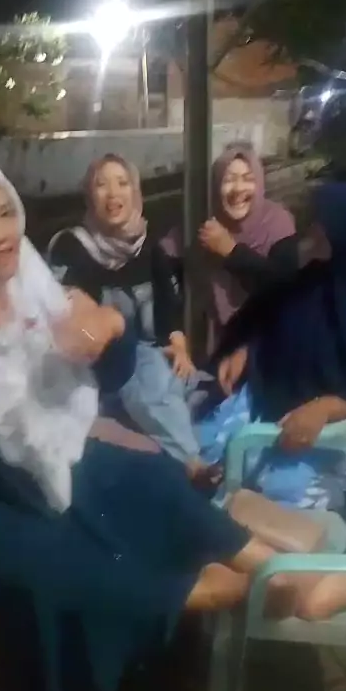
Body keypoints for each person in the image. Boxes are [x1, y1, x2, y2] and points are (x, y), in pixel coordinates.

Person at [0, 151, 346, 691]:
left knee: (151, 480)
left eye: (5, 212)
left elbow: (108, 374)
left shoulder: (34, 283)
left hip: (41, 468)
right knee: (57, 568)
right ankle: (214, 594)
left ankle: (277, 570)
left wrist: (109, 327)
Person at [196, 182, 346, 513]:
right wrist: (247, 351)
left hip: (319, 428)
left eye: (324, 224)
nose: (314, 229)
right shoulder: (315, 274)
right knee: (198, 454)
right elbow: (276, 321)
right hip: (263, 393)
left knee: (273, 496)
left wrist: (325, 409)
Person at [47, 152, 217, 488]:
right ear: (89, 196)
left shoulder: (147, 244)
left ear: (135, 192)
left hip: (148, 361)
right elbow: (69, 318)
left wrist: (178, 345)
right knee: (146, 368)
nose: (113, 194)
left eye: (122, 183)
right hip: (97, 366)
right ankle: (193, 464)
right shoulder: (71, 247)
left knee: (181, 378)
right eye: (101, 185)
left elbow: (168, 304)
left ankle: (181, 454)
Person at [198, 142, 298, 352]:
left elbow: (285, 291)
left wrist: (232, 252)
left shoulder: (278, 223)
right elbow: (167, 250)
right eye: (228, 180)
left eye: (248, 179)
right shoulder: (209, 223)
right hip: (219, 342)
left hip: (268, 342)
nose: (238, 189)